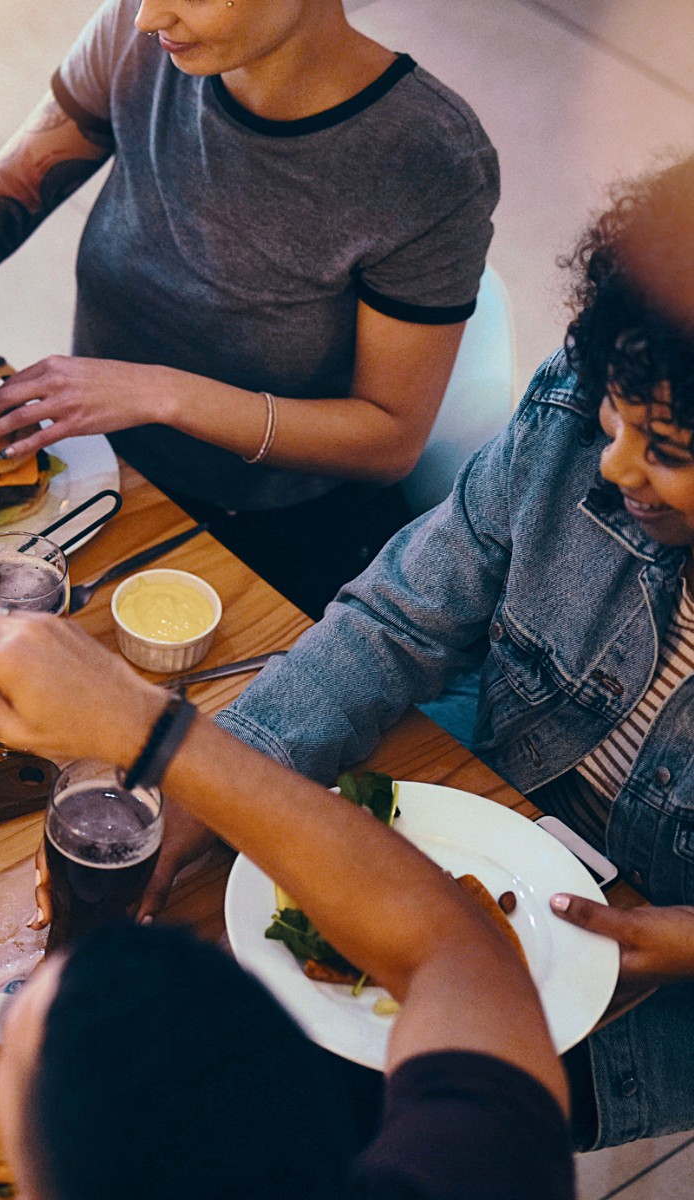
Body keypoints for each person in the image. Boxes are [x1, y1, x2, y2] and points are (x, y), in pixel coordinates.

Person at [134, 159, 694, 1151]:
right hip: (489, 812)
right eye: (615, 415)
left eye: (670, 452)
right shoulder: (589, 405)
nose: (611, 466)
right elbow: (403, 614)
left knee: (305, 1120)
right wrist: (228, 764)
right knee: (188, 998)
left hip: (657, 999)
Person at [0, 0, 498, 618]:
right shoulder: (141, 34)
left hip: (268, 531)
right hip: (92, 471)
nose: (150, 14)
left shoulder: (427, 157)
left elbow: (389, 439)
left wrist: (161, 393)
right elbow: (8, 195)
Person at [0, 606, 572, 1199]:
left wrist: (150, 731)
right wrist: (148, 729)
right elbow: (448, 944)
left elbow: (439, 950)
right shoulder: (484, 1168)